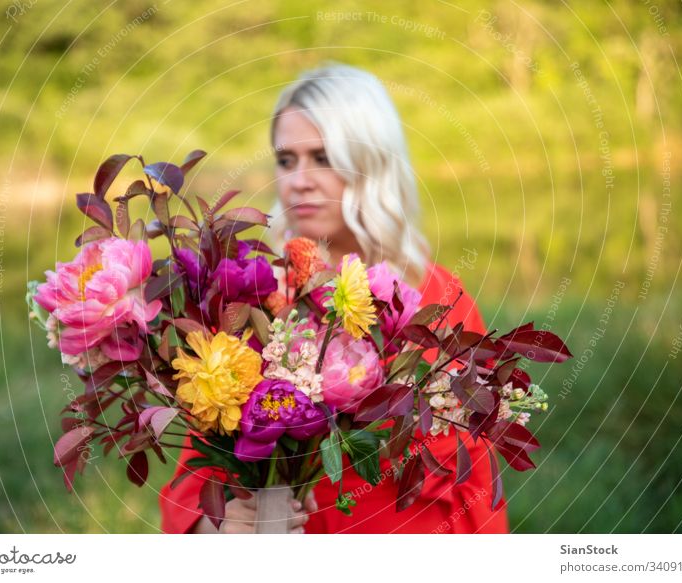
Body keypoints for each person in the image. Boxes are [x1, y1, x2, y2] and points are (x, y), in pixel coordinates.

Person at [159, 63, 509, 534]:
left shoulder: (438, 298)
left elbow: (474, 485)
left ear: (371, 163)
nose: (300, 180)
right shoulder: (254, 298)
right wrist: (219, 530)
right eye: (287, 160)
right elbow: (194, 477)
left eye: (323, 158)